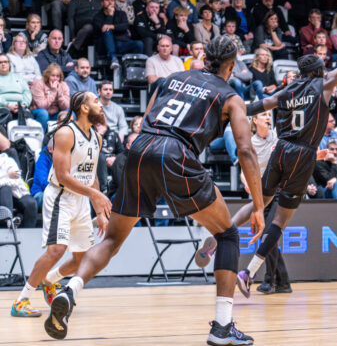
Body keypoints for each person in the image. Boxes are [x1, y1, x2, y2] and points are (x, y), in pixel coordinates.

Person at [44, 36, 265, 345]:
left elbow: (147, 118)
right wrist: (257, 205)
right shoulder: (230, 96)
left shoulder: (173, 77)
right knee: (227, 234)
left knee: (111, 240)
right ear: (232, 64)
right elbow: (245, 150)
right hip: (177, 155)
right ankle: (223, 326)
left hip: (141, 148)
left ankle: (71, 289)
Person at [231, 4, 337, 299]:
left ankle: (224, 233)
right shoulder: (322, 85)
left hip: (280, 149)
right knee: (278, 221)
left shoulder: (287, 91)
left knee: (261, 202)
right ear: (320, 71)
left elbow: (252, 107)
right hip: (303, 154)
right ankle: (249, 271)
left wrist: (225, 106)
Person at [11, 91, 109, 318]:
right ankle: (21, 301)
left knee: (82, 260)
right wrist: (95, 196)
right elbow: (63, 176)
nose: (101, 105)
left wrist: (99, 211)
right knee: (56, 249)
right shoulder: (65, 134)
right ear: (84, 108)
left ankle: (49, 280)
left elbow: (91, 175)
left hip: (82, 201)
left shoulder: (97, 137)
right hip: (60, 197)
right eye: (96, 101)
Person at [243, 110, 292, 294]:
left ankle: (270, 281)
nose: (268, 117)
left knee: (267, 235)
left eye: (269, 115)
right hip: (261, 195)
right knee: (269, 239)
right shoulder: (250, 144)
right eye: (263, 115)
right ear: (254, 120)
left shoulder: (277, 139)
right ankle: (282, 282)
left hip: (278, 192)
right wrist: (245, 181)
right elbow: (243, 169)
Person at [93, 0, 144, 70]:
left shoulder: (121, 14)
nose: (110, 3)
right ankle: (113, 58)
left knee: (139, 44)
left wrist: (112, 26)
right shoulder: (97, 17)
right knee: (107, 31)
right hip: (105, 46)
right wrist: (110, 15)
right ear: (102, 3)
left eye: (112, 1)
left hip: (121, 43)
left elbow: (125, 26)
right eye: (107, 0)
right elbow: (103, 29)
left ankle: (134, 67)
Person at [30, 63, 71, 131]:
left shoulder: (63, 85)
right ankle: (42, 137)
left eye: (57, 76)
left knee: (69, 113)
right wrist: (53, 92)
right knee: (44, 113)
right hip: (40, 111)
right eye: (53, 76)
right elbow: (41, 105)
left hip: (56, 112)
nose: (55, 79)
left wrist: (59, 93)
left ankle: (65, 135)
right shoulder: (39, 84)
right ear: (48, 76)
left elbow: (66, 106)